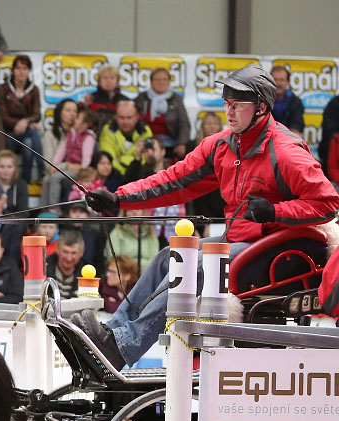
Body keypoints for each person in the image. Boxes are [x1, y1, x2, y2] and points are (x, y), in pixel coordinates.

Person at [80, 65, 339, 370]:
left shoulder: (285, 151)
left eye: (237, 105)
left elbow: (327, 204)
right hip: (242, 241)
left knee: (194, 266)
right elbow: (173, 180)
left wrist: (275, 212)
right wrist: (119, 197)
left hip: (280, 251)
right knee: (169, 256)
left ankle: (124, 347)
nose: (229, 112)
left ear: (261, 108)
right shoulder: (222, 145)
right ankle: (112, 336)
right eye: (226, 103)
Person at [0, 54, 43, 183]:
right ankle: (42, 169)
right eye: (18, 68)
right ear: (13, 70)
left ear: (29, 71)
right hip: (7, 132)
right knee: (32, 135)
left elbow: (37, 115)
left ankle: (25, 181)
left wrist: (25, 122)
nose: (21, 72)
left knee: (30, 141)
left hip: (26, 131)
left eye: (24, 68)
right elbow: (1, 116)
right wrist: (20, 123)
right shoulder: (2, 89)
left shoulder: (34, 90)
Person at [133, 68, 190, 158]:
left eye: (164, 79)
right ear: (151, 82)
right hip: (146, 142)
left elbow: (184, 123)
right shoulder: (142, 98)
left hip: (172, 144)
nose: (161, 82)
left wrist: (181, 143)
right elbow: (134, 121)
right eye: (157, 79)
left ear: (169, 82)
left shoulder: (176, 98)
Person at [47, 108, 97, 205]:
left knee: (55, 178)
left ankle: (54, 207)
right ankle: (44, 207)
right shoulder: (71, 133)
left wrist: (82, 171)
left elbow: (87, 158)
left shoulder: (88, 138)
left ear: (86, 124)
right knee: (46, 179)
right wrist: (54, 165)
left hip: (78, 171)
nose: (75, 119)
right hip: (68, 167)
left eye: (78, 118)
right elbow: (62, 149)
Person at [98, 100, 152, 180]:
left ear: (137, 117)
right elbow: (108, 161)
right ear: (116, 117)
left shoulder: (145, 132)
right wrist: (133, 160)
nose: (125, 122)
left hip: (138, 176)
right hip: (114, 176)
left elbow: (144, 161)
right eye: (122, 117)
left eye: (129, 118)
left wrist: (121, 159)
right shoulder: (108, 130)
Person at [187, 112, 226, 221]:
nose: (212, 126)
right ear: (202, 126)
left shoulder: (227, 146)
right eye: (208, 123)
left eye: (215, 123)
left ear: (220, 126)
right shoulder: (192, 146)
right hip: (199, 188)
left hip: (219, 188)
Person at [41, 99, 78, 206]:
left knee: (52, 178)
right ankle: (48, 214)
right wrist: (67, 165)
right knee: (48, 178)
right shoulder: (50, 135)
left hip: (76, 175)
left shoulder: (80, 134)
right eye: (68, 110)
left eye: (75, 111)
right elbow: (49, 166)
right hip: (57, 173)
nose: (72, 114)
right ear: (59, 113)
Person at [81, 64, 126, 132]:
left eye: (112, 78)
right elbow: (82, 120)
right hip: (95, 137)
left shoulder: (125, 100)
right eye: (104, 78)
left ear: (117, 81)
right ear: (99, 81)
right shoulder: (91, 98)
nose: (108, 81)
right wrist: (85, 106)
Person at [46, 229, 86, 299]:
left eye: (73, 253)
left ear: (81, 253)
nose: (69, 258)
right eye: (65, 252)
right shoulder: (44, 269)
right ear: (57, 250)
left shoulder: (86, 275)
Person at [269, 65, 304, 134]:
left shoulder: (296, 102)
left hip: (288, 139)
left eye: (282, 80)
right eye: (275, 79)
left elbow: (297, 126)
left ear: (288, 82)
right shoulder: (262, 101)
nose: (278, 83)